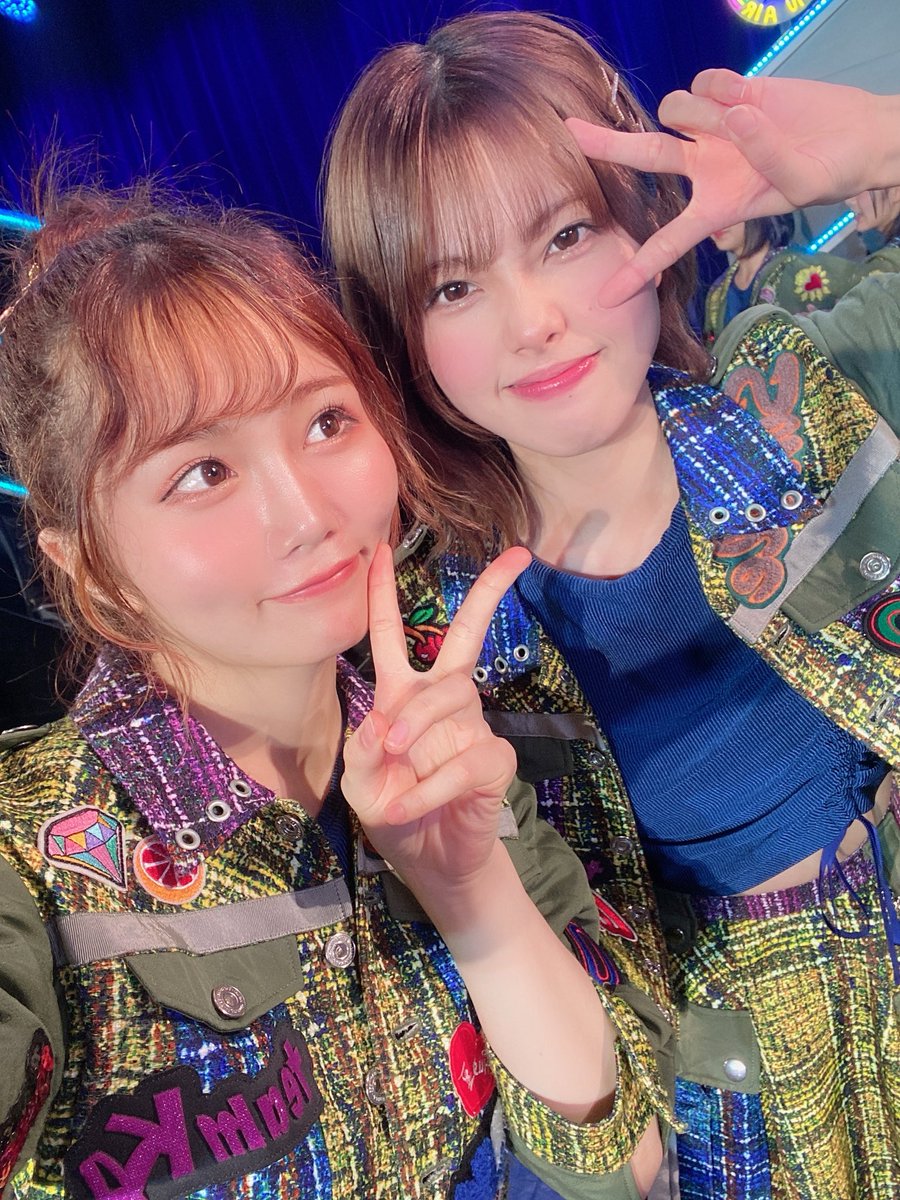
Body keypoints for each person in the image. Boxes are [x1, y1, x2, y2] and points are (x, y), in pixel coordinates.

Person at [323, 14, 900, 1200]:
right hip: (751, 1102)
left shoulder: (800, 394)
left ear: (642, 216)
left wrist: (884, 141)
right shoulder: (444, 645)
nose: (533, 318)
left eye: (566, 233)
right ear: (403, 340)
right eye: (454, 285)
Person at [0, 183, 668, 1199]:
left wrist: (468, 889)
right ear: (94, 568)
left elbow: (621, 1163)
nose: (307, 513)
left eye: (325, 421)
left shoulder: (450, 749)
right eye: (201, 473)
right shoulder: (31, 861)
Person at [701, 213, 863, 342]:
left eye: (726, 208)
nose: (717, 220)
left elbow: (866, 294)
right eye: (709, 211)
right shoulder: (717, 292)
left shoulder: (799, 268)